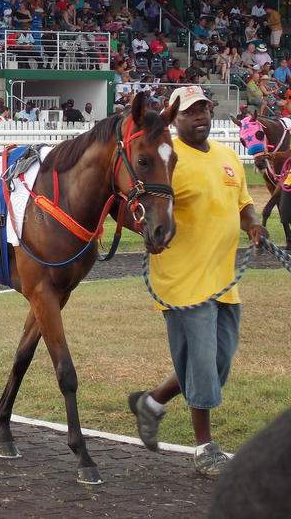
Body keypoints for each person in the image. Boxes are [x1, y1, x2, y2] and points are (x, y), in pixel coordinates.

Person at [128, 85, 268, 478]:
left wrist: (255, 226)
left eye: (204, 108)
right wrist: (148, 236)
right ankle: (205, 449)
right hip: (182, 281)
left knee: (216, 365)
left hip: (224, 279)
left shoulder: (227, 157)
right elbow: (144, 207)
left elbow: (243, 203)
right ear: (176, 118)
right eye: (191, 112)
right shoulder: (169, 160)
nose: (201, 116)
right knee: (203, 365)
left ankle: (151, 403)